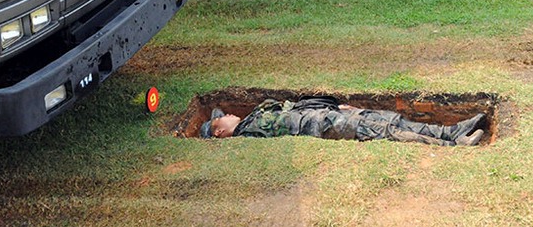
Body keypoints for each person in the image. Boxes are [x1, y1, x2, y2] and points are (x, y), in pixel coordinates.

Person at [200, 97, 486, 147]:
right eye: (220, 118)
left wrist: (334, 106)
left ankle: (450, 130)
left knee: (390, 118)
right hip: (328, 127)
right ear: (220, 132)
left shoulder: (256, 116)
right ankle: (454, 145)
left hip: (329, 114)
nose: (226, 114)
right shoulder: (249, 136)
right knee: (386, 131)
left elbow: (295, 107)